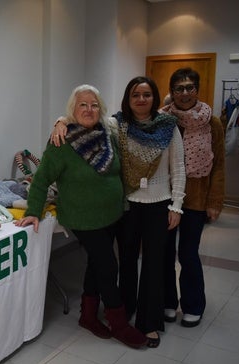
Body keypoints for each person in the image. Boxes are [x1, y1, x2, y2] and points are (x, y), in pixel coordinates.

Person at [50, 77, 186, 348]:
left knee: (153, 265)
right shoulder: (117, 124)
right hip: (127, 206)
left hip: (160, 205)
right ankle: (127, 312)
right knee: (126, 262)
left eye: (147, 94)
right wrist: (60, 121)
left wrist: (177, 206)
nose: (141, 100)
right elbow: (86, 115)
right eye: (136, 94)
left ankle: (149, 323)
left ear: (154, 98)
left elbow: (179, 168)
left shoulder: (169, 127)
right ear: (129, 98)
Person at [16, 84, 147, 349]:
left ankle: (88, 316)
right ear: (72, 111)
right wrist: (33, 213)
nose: (89, 109)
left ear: (101, 109)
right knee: (109, 265)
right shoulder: (61, 141)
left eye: (94, 104)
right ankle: (118, 323)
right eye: (82, 105)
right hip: (82, 217)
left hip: (111, 214)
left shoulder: (108, 133)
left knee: (97, 264)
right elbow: (40, 181)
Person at [160, 67, 225, 328]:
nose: (185, 93)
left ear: (197, 89)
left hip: (196, 198)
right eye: (179, 88)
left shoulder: (212, 122)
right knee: (164, 253)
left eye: (190, 87)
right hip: (165, 196)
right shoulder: (163, 119)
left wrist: (214, 201)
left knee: (188, 254)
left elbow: (219, 164)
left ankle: (193, 305)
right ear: (172, 91)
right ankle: (166, 301)